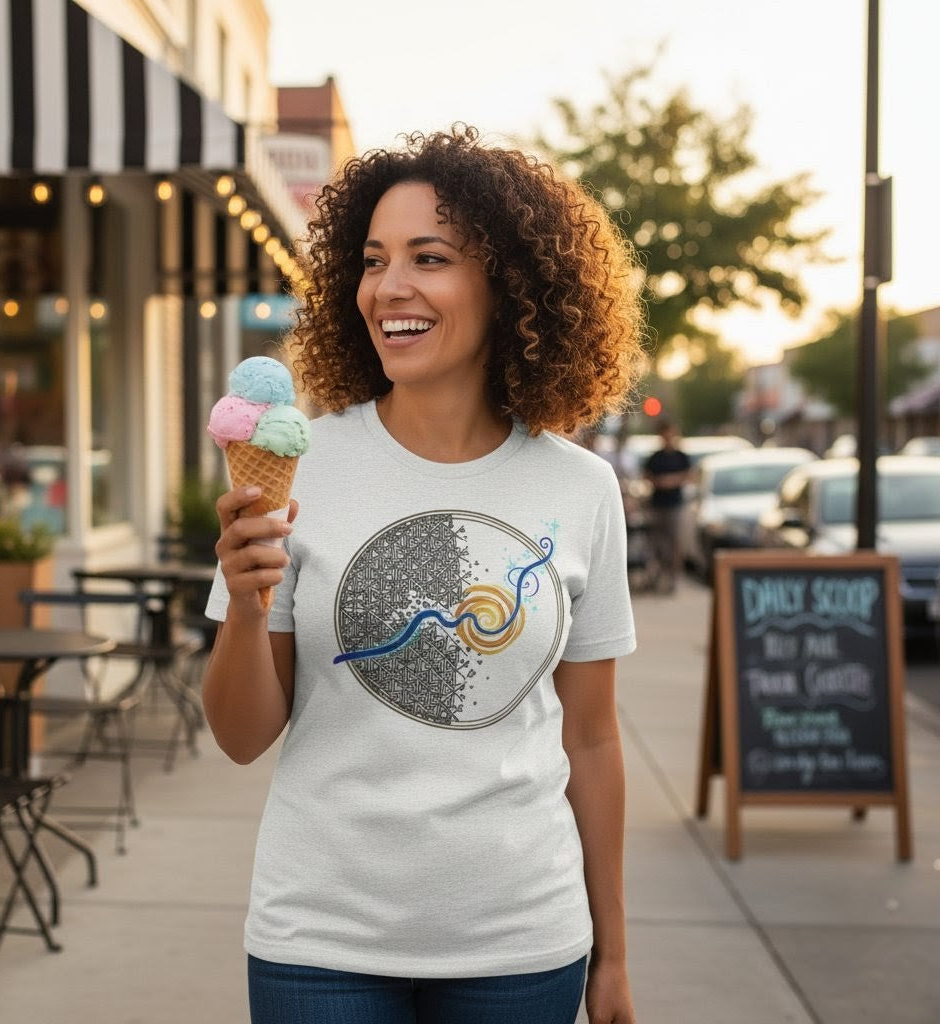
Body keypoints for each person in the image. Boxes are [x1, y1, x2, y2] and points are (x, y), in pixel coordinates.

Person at [202, 125, 645, 1024]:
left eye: (429, 257)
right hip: (319, 940)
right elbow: (242, 736)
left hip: (521, 941)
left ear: (510, 283)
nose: (389, 287)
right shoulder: (301, 468)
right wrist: (248, 612)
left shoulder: (582, 488)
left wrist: (615, 954)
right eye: (372, 260)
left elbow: (592, 741)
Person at [642, 420, 691, 593]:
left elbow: (689, 475)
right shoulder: (655, 457)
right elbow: (646, 475)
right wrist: (659, 482)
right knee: (657, 543)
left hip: (674, 505)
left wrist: (671, 481)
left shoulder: (681, 456)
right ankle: (657, 577)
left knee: (675, 543)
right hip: (657, 504)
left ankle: (673, 578)